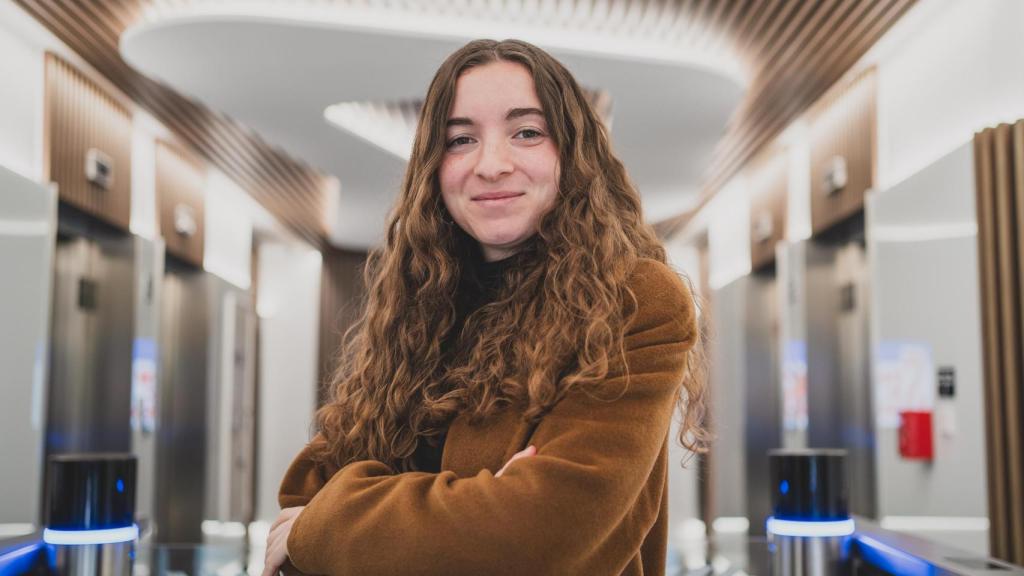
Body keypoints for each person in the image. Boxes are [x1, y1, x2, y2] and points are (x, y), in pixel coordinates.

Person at [263, 38, 707, 576]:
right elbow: (303, 491)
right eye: (460, 139)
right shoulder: (418, 302)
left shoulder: (634, 299)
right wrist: (475, 505)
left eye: (526, 132)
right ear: (433, 164)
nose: (491, 164)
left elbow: (538, 536)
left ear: (573, 152)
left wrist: (335, 523)